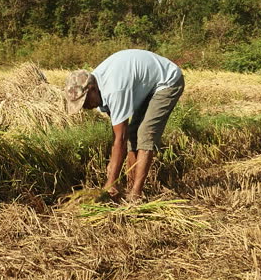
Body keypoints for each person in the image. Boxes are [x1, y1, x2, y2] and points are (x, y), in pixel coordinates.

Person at [64, 49, 184, 201]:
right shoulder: (97, 85)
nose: (85, 107)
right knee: (133, 134)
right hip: (146, 84)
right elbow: (120, 134)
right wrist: (113, 165)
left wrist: (110, 182)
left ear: (92, 89)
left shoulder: (114, 89)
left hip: (168, 81)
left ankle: (135, 196)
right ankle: (128, 188)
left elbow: (120, 138)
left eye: (84, 101)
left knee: (145, 135)